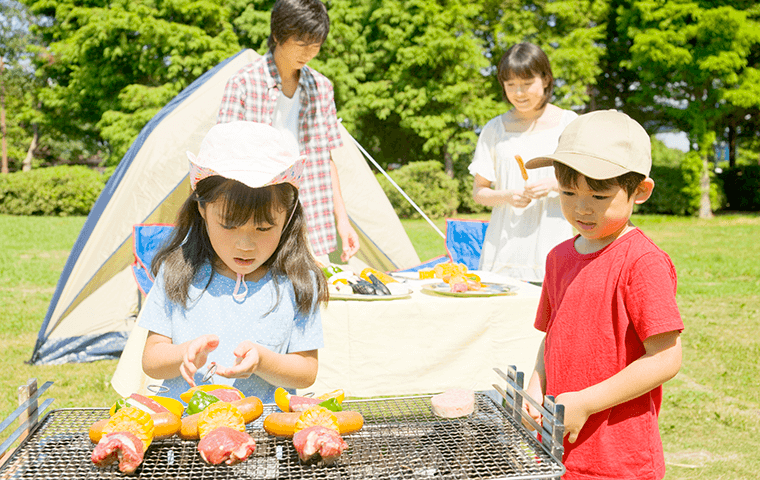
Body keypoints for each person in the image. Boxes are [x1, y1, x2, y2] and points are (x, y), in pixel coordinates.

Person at [523, 110, 684, 479]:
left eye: (598, 195)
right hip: (558, 446)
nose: (581, 207)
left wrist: (586, 402)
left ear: (639, 191)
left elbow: (666, 358)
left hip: (618, 457)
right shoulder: (558, 257)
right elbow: (553, 336)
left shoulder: (642, 261)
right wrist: (536, 387)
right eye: (568, 192)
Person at [140, 121, 329, 404]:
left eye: (263, 229)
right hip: (187, 430)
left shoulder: (299, 279)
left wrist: (263, 362)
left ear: (288, 216)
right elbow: (151, 359)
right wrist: (185, 352)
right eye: (229, 226)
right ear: (202, 208)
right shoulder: (177, 270)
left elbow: (306, 371)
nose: (245, 244)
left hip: (266, 434)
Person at [217, 0, 359, 265]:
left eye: (315, 44)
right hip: (256, 211)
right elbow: (223, 159)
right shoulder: (243, 83)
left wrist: (343, 221)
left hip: (311, 213)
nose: (308, 52)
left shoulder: (321, 88)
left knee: (315, 292)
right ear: (277, 35)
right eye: (301, 43)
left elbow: (325, 160)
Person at [469, 42, 577, 283]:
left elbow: (591, 180)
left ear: (546, 79)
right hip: (503, 251)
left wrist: (555, 184)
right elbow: (479, 192)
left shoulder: (569, 124)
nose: (519, 93)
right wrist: (507, 196)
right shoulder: (494, 129)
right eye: (511, 85)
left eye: (527, 84)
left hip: (554, 245)